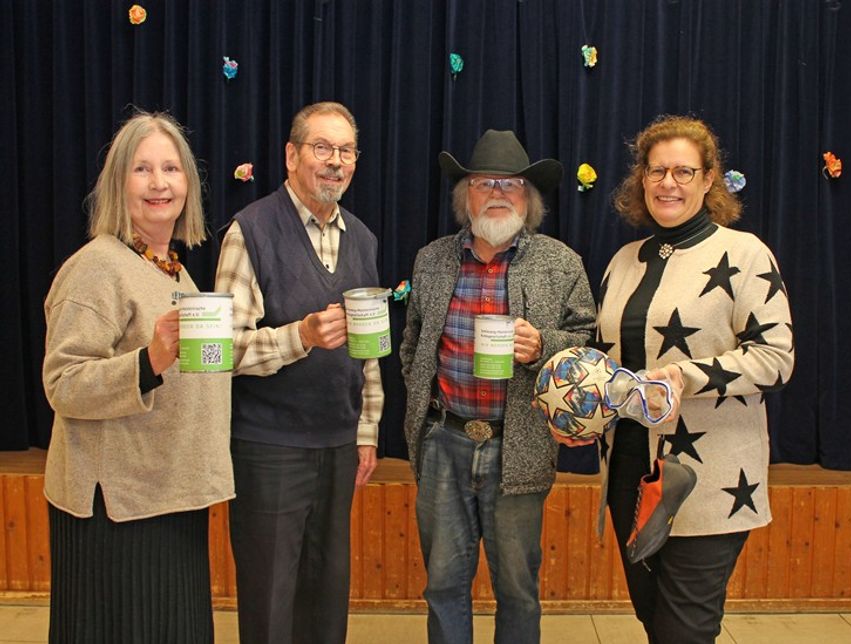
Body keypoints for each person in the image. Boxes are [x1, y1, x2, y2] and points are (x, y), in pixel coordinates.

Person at [595, 115, 794, 643]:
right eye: (657, 170)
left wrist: (686, 375)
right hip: (629, 473)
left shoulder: (746, 254)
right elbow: (606, 363)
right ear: (642, 180)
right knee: (654, 618)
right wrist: (579, 412)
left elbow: (776, 357)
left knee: (685, 628)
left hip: (709, 478)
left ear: (709, 180)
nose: (668, 183)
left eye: (684, 171)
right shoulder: (623, 261)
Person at [42, 111, 233, 643]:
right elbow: (63, 382)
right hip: (116, 510)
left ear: (188, 184)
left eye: (171, 168)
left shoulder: (170, 267)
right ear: (117, 183)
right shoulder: (97, 266)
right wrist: (146, 361)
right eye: (142, 169)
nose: (159, 183)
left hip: (169, 495)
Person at [400, 129, 596, 644]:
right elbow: (412, 345)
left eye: (511, 184)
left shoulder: (560, 262)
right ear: (464, 196)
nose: (498, 192)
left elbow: (587, 343)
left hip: (520, 444)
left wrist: (544, 345)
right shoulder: (432, 259)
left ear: (529, 199)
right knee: (442, 583)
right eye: (484, 182)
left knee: (517, 587)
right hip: (445, 441)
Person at [214, 101, 383, 644]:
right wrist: (300, 338)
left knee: (326, 594)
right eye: (322, 148)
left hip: (338, 444)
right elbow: (220, 350)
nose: (336, 161)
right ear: (291, 156)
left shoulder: (363, 238)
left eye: (347, 150)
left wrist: (366, 431)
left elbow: (369, 352)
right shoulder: (251, 230)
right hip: (269, 447)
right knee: (270, 599)